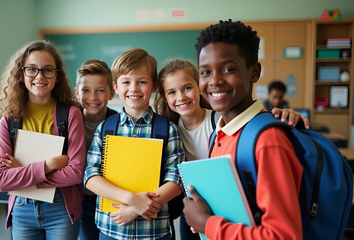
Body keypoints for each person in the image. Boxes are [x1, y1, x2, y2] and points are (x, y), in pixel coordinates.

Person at [153, 59, 308, 240]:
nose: (181, 97)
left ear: (200, 87)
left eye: (187, 88)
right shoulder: (170, 129)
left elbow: (254, 126)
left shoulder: (221, 121)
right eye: (172, 92)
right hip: (193, 206)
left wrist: (286, 115)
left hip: (226, 205)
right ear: (165, 97)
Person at [182, 19, 303, 239]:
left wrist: (207, 224)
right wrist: (204, 220)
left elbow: (283, 235)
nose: (215, 81)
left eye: (228, 69)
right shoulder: (218, 134)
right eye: (205, 72)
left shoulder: (267, 140)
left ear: (254, 72)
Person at [84, 48, 185, 240]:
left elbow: (176, 179)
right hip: (111, 228)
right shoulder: (105, 128)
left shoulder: (167, 129)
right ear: (115, 87)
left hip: (154, 231)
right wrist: (131, 200)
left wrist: (136, 209)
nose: (134, 89)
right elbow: (90, 175)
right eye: (126, 82)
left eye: (142, 82)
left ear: (154, 85)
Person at [0, 40, 86, 240]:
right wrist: (49, 165)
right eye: (32, 69)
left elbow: (76, 173)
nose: (40, 76)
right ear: (21, 74)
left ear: (57, 76)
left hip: (61, 207)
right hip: (21, 208)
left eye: (47, 70)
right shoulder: (8, 121)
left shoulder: (71, 114)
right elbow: (1, 181)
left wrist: (22, 177)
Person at [74, 59, 117, 240]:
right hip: (81, 198)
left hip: (111, 198)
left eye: (100, 90)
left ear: (111, 93)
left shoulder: (119, 123)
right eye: (85, 90)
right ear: (77, 93)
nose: (92, 97)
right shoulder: (69, 121)